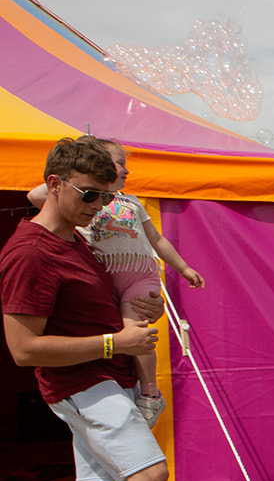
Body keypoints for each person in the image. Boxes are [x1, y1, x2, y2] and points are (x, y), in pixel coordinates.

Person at [2, 136, 185, 481]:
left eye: (107, 197)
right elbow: (23, 348)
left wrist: (129, 318)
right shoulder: (29, 253)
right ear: (53, 185)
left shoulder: (76, 239)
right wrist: (114, 342)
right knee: (149, 475)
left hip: (105, 377)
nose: (99, 207)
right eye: (89, 196)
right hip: (82, 383)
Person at [26, 140, 205, 424]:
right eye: (118, 163)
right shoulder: (85, 200)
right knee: (118, 331)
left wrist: (183, 268)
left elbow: (157, 239)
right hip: (106, 275)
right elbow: (36, 195)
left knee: (135, 331)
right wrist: (74, 165)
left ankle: (150, 392)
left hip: (138, 275)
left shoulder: (130, 202)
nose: (125, 170)